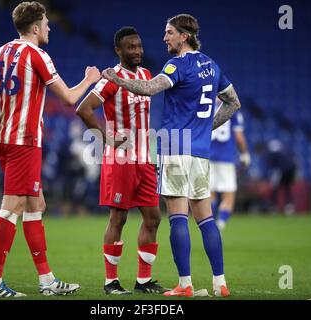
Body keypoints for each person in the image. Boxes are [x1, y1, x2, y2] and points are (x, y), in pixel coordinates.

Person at [0, 1, 101, 298]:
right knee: (13, 208)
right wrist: (89, 79)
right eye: (46, 23)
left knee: (36, 207)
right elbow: (70, 99)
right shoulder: (38, 56)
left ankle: (46, 281)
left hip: (5, 140)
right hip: (25, 142)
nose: (49, 27)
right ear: (35, 27)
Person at [102, 14, 241, 297]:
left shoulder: (177, 64)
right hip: (201, 152)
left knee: (178, 218)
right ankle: (220, 283)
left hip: (176, 149)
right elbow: (233, 102)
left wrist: (116, 78)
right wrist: (206, 127)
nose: (165, 38)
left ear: (184, 36)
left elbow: (151, 88)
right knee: (206, 219)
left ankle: (185, 284)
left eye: (169, 33)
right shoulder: (211, 65)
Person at [76, 27, 166, 295]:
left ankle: (143, 281)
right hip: (121, 160)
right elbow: (83, 109)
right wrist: (106, 138)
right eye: (130, 47)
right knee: (119, 218)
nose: (137, 51)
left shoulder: (146, 76)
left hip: (143, 160)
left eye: (139, 46)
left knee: (153, 217)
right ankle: (110, 282)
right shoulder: (111, 79)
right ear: (119, 50)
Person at [210, 98, 251, 231]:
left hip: (206, 156)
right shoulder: (233, 110)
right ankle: (220, 224)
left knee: (210, 195)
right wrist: (245, 154)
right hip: (226, 157)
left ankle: (210, 225)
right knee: (229, 196)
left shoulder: (206, 108)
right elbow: (239, 137)